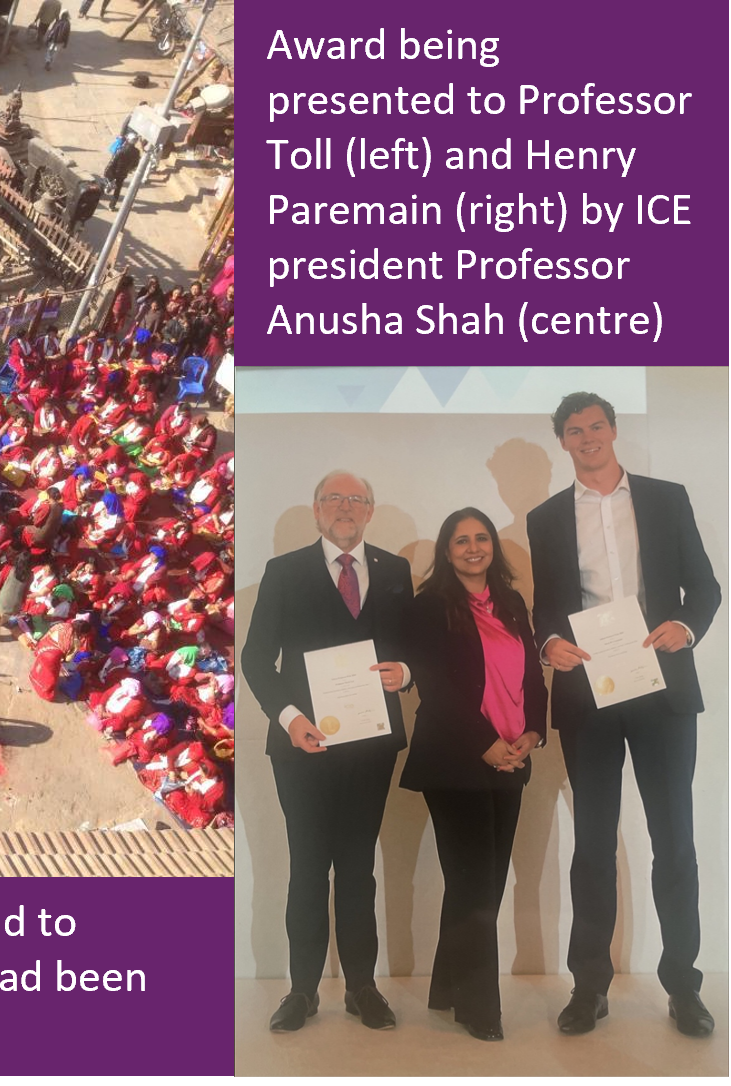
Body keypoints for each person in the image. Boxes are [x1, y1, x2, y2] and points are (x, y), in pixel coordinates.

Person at [525, 392, 719, 1039]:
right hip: (589, 693)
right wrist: (549, 643)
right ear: (563, 441)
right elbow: (546, 609)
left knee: (675, 843)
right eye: (574, 430)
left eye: (596, 426)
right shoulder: (546, 517)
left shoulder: (666, 497)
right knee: (592, 847)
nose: (587, 438)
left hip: (663, 689)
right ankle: (589, 988)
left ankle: (684, 988)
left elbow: (706, 587)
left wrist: (685, 626)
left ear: (612, 430)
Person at [240, 469, 412, 1033]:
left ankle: (362, 987)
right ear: (316, 511)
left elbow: (412, 649)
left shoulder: (396, 571)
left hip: (372, 746)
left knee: (359, 868)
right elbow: (257, 660)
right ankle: (303, 991)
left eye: (355, 499)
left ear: (370, 511)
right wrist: (289, 720)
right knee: (309, 867)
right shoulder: (283, 572)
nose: (345, 507)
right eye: (333, 499)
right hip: (301, 747)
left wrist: (406, 672)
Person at [399, 508, 548, 1042]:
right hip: (455, 761)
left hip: (513, 757)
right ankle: (480, 1007)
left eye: (481, 538)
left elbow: (531, 671)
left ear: (493, 547)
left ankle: (447, 987)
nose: (472, 547)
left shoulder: (511, 603)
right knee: (474, 884)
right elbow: (433, 687)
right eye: (460, 540)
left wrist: (531, 733)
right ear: (446, 550)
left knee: (481, 883)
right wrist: (486, 745)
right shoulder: (428, 607)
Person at [104, 138, 141, 211]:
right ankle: (112, 206)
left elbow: (113, 161)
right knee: (117, 190)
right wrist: (129, 168)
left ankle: (108, 187)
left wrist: (107, 170)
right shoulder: (136, 152)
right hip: (123, 173)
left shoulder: (121, 149)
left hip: (114, 170)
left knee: (108, 181)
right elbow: (136, 164)